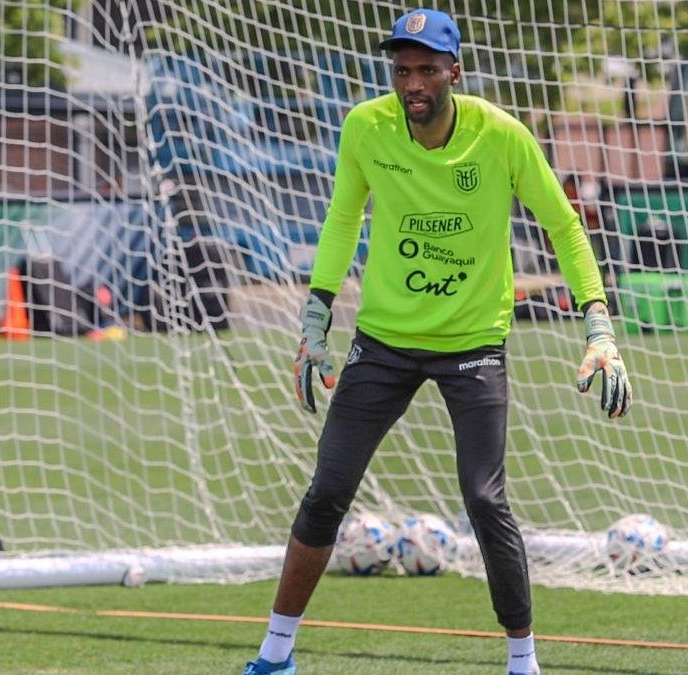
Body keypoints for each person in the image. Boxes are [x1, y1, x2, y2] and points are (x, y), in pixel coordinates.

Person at [243, 9, 632, 675]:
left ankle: (523, 663)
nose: (413, 81)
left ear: (455, 70)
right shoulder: (366, 127)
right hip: (385, 341)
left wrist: (598, 323)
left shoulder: (501, 136)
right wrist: (315, 319)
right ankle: (274, 655)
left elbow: (565, 227)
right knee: (327, 488)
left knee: (484, 497)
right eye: (402, 68)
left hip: (473, 343)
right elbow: (342, 218)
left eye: (427, 68)